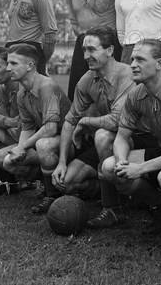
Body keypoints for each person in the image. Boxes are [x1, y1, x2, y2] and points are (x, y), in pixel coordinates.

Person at [91, 39, 161, 234]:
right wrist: (122, 161)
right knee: (110, 167)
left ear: (160, 64)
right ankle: (160, 204)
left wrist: (140, 168)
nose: (132, 65)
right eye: (132, 59)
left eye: (140, 59)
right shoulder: (136, 94)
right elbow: (121, 137)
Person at [51, 26, 135, 205]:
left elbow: (116, 121)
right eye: (83, 50)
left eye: (91, 50)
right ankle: (107, 188)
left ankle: (113, 207)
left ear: (110, 50)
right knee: (65, 183)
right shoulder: (87, 79)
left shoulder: (126, 74)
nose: (85, 56)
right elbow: (69, 120)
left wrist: (85, 121)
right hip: (108, 142)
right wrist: (62, 162)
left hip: (135, 139)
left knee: (102, 135)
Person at [0, 44, 71, 213]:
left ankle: (52, 196)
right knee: (4, 159)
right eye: (8, 63)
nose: (8, 68)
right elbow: (28, 127)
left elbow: (51, 129)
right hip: (50, 142)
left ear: (30, 66)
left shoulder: (46, 86)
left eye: (14, 64)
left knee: (44, 145)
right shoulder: (23, 92)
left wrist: (23, 147)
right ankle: (47, 183)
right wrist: (20, 152)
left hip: (69, 143)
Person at [0, 46, 32, 196]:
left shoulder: (26, 87)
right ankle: (9, 182)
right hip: (19, 134)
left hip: (35, 140)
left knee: (2, 156)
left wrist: (8, 121)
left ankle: (36, 180)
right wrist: (10, 121)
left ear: (9, 65)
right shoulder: (5, 88)